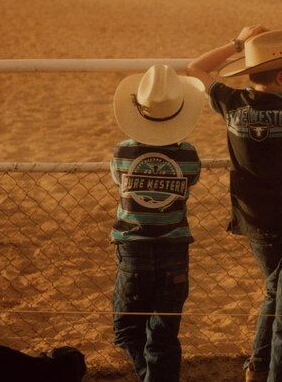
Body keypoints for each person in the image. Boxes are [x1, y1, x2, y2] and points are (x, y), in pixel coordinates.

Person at [187, 26, 282, 382]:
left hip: (256, 224)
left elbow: (195, 69)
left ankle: (258, 366)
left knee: (273, 289)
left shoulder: (233, 104)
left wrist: (239, 44)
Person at [110, 64, 205, 382]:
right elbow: (189, 183)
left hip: (133, 251)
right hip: (175, 250)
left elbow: (117, 180)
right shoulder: (189, 156)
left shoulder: (123, 152)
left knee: (126, 330)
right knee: (164, 335)